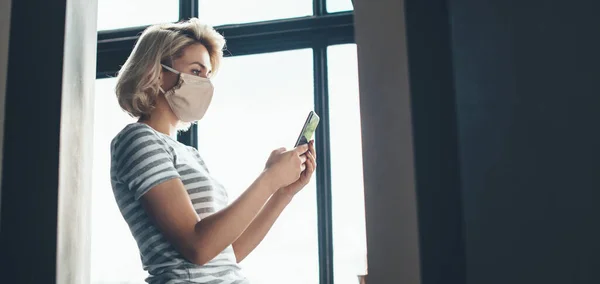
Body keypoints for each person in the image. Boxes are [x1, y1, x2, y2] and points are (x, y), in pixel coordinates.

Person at [110, 18, 316, 284]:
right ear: (158, 72)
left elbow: (227, 252)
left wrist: (282, 193)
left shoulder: (190, 154)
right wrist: (269, 178)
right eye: (196, 72)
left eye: (207, 75)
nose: (205, 84)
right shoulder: (138, 140)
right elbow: (199, 247)